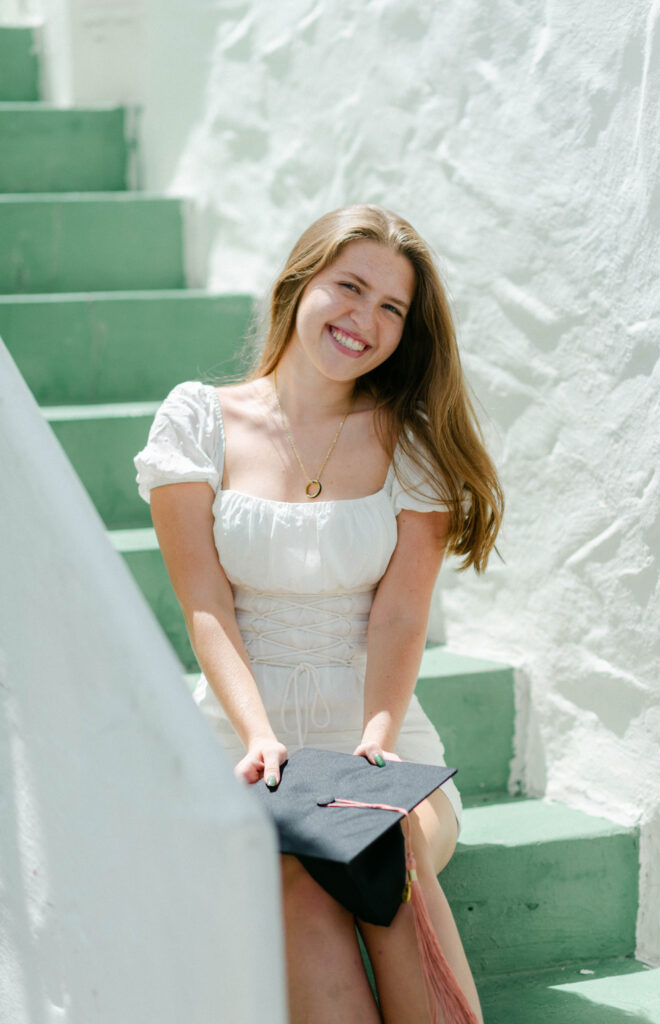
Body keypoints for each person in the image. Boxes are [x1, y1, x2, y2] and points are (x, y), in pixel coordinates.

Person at [134, 204, 502, 1024]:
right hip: (242, 741)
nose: (364, 320)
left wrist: (377, 739)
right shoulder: (197, 422)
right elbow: (207, 606)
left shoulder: (410, 441)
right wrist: (261, 736)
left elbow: (402, 617)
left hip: (378, 741)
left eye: (392, 309)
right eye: (350, 287)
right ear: (301, 282)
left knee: (387, 843)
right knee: (295, 876)